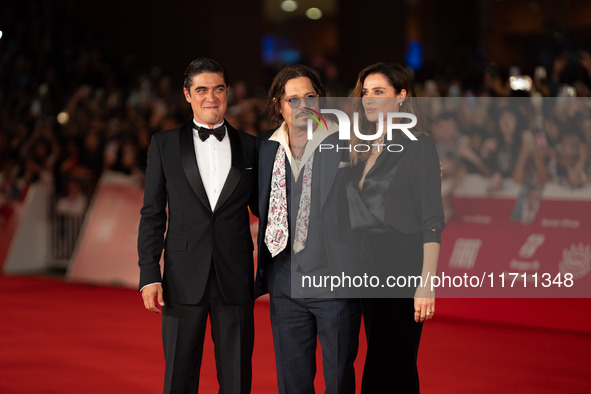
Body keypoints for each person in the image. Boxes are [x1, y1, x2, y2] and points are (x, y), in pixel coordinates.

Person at [137, 58, 258, 393]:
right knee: (179, 376)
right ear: (187, 95)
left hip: (234, 279)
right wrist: (149, 273)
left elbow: (266, 209)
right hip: (181, 277)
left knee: (236, 379)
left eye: (218, 89)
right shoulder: (163, 145)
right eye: (202, 89)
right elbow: (152, 213)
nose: (211, 97)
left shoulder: (251, 147)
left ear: (227, 93)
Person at [255, 65, 361, 394]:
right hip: (285, 281)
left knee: (338, 378)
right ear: (279, 104)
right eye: (294, 99)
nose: (303, 106)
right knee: (292, 380)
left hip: (334, 280)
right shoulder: (265, 149)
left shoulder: (346, 144)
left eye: (310, 97)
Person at [346, 63, 445, 393]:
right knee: (383, 362)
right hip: (366, 269)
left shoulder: (419, 146)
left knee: (392, 365)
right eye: (365, 93)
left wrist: (426, 284)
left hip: (401, 267)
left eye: (379, 92)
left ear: (401, 96)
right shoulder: (360, 146)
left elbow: (431, 220)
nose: (369, 100)